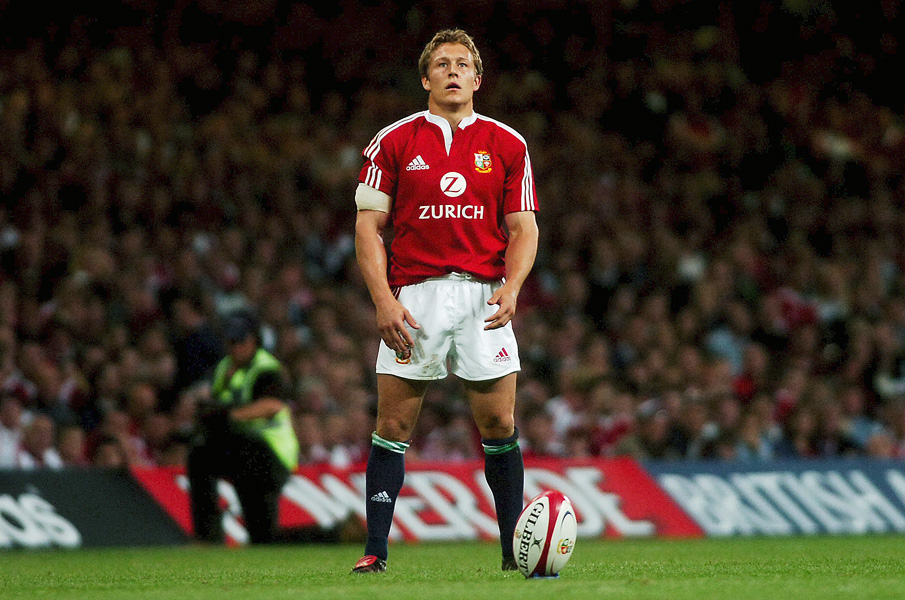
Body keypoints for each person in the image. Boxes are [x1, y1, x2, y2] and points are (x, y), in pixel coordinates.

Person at [351, 28, 539, 573]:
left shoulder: (508, 143)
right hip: (416, 295)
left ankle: (512, 552)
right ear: (426, 78)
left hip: (484, 296)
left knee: (499, 424)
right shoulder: (391, 141)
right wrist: (383, 301)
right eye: (442, 64)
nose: (452, 71)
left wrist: (513, 284)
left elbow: (523, 226)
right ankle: (375, 551)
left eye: (462, 64)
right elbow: (368, 228)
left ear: (477, 79)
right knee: (394, 425)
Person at [186, 309, 300, 544]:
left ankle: (330, 536)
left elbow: (272, 404)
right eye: (230, 341)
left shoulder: (267, 368)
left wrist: (230, 415)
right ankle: (207, 537)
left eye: (240, 341)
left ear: (254, 340)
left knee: (264, 535)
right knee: (199, 454)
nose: (235, 347)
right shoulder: (224, 368)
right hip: (244, 454)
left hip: (271, 453)